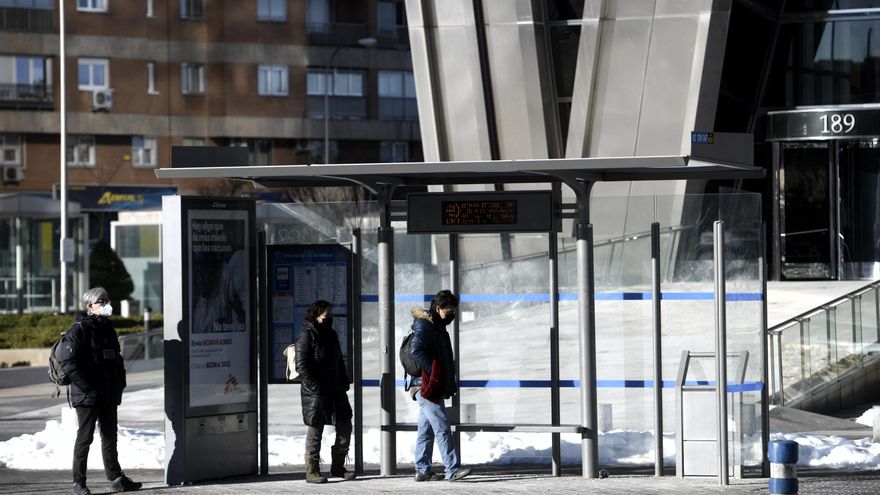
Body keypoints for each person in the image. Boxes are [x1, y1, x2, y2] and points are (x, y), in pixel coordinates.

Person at [59, 287, 142, 495]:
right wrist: (86, 386)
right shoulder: (78, 329)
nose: (107, 305)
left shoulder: (107, 328)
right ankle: (78, 483)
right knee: (85, 438)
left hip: (108, 393)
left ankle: (116, 479)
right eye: (101, 302)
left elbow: (117, 357)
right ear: (90, 306)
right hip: (87, 395)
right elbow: (68, 363)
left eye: (107, 300)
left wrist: (120, 381)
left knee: (110, 437)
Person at [408, 290, 471, 482]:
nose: (451, 315)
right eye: (449, 311)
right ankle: (452, 469)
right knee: (442, 426)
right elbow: (415, 351)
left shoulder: (438, 325)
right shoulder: (425, 325)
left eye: (453, 311)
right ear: (438, 308)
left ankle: (422, 470)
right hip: (425, 385)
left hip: (430, 386)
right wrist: (435, 372)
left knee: (425, 430)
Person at [294, 300, 355, 483]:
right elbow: (301, 366)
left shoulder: (332, 334)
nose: (329, 319)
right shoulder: (306, 335)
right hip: (316, 391)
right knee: (316, 428)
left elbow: (338, 361)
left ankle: (337, 466)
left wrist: (344, 381)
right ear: (316, 315)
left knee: (345, 425)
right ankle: (312, 470)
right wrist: (316, 386)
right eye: (326, 316)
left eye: (331, 316)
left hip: (335, 387)